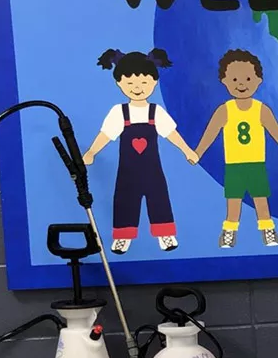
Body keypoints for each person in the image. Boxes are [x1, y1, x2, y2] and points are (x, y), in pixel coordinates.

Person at [83, 48, 198, 254]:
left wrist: (187, 151)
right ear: (119, 83)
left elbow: (171, 133)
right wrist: (91, 152)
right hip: (127, 172)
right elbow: (106, 135)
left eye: (144, 82)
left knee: (159, 198)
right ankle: (123, 237)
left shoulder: (156, 112)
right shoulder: (119, 112)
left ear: (154, 82)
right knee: (125, 200)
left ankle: (165, 234)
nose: (137, 87)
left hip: (153, 169)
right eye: (130, 83)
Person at [194, 49, 278, 249]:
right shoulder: (224, 110)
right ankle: (229, 232)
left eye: (247, 78)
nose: (241, 84)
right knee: (233, 202)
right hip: (234, 165)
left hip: (256, 165)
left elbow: (276, 132)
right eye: (234, 79)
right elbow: (210, 133)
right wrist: (198, 152)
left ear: (258, 80)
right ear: (224, 81)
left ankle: (268, 231)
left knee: (261, 200)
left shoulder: (261, 109)